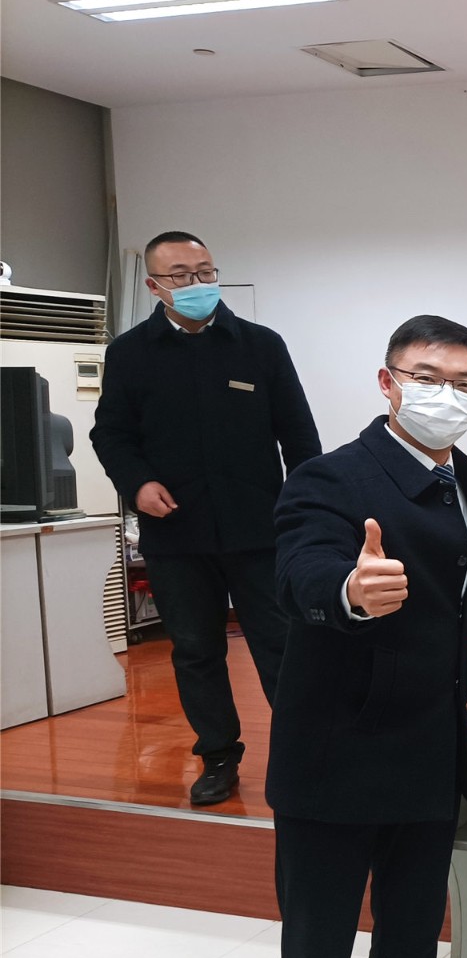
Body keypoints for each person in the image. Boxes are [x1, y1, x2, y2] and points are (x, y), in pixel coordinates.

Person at [269, 315, 467, 958]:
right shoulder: (331, 478)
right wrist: (349, 593)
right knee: (316, 957)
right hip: (335, 754)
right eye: (428, 377)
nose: (446, 396)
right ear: (388, 382)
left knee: (410, 946)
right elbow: (299, 569)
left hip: (428, 752)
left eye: (464, 384)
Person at [90, 230, 321, 806]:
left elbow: (298, 434)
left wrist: (309, 513)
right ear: (154, 286)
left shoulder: (261, 346)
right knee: (195, 651)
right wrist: (137, 484)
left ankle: (308, 754)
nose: (197, 283)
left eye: (205, 272)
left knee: (283, 645)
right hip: (177, 533)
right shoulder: (130, 354)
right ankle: (218, 756)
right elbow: (111, 434)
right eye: (181, 276)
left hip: (261, 529)